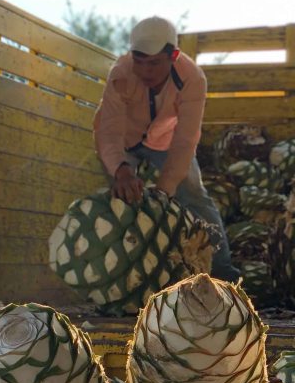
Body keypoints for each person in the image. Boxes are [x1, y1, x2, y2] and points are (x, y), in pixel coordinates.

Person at [93, 15, 239, 281]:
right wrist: (121, 171)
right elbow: (109, 129)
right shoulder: (120, 73)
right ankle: (118, 281)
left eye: (154, 63)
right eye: (139, 61)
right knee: (116, 200)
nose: (145, 71)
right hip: (122, 144)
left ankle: (224, 274)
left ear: (174, 55)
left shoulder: (193, 78)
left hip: (166, 142)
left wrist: (165, 188)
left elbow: (185, 140)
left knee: (194, 193)